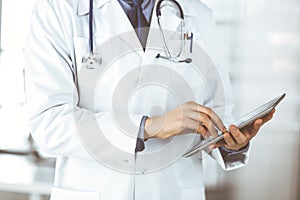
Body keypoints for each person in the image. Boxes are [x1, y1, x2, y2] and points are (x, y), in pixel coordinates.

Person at [25, 0, 275, 199]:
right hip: (95, 190)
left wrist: (231, 141)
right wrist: (149, 126)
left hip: (172, 191)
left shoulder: (197, 16)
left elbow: (218, 110)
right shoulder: (58, 10)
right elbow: (50, 122)